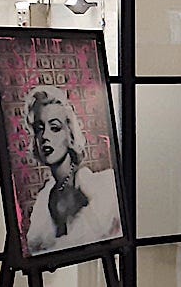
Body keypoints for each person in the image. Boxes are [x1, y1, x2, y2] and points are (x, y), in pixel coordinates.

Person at [21, 85, 122, 255]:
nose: (45, 137)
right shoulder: (43, 203)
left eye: (55, 128)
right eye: (39, 129)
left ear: (70, 134)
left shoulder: (103, 187)